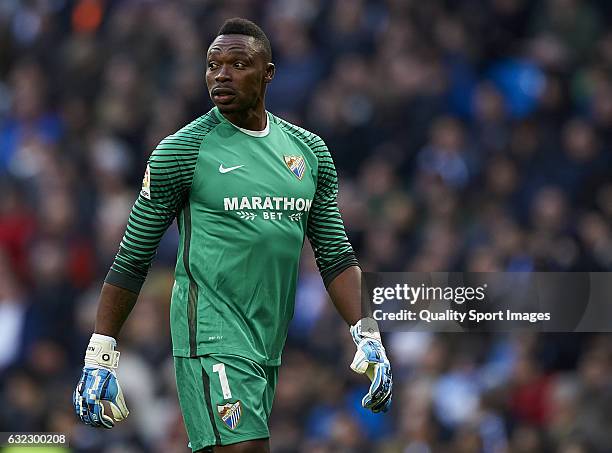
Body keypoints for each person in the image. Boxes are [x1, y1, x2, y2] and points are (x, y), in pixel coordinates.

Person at [73, 18, 392, 453]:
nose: (221, 74)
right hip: (209, 333)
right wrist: (101, 352)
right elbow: (133, 255)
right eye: (212, 65)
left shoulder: (309, 152)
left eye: (238, 64)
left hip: (267, 339)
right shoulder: (182, 151)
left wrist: (367, 333)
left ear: (268, 73)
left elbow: (335, 254)